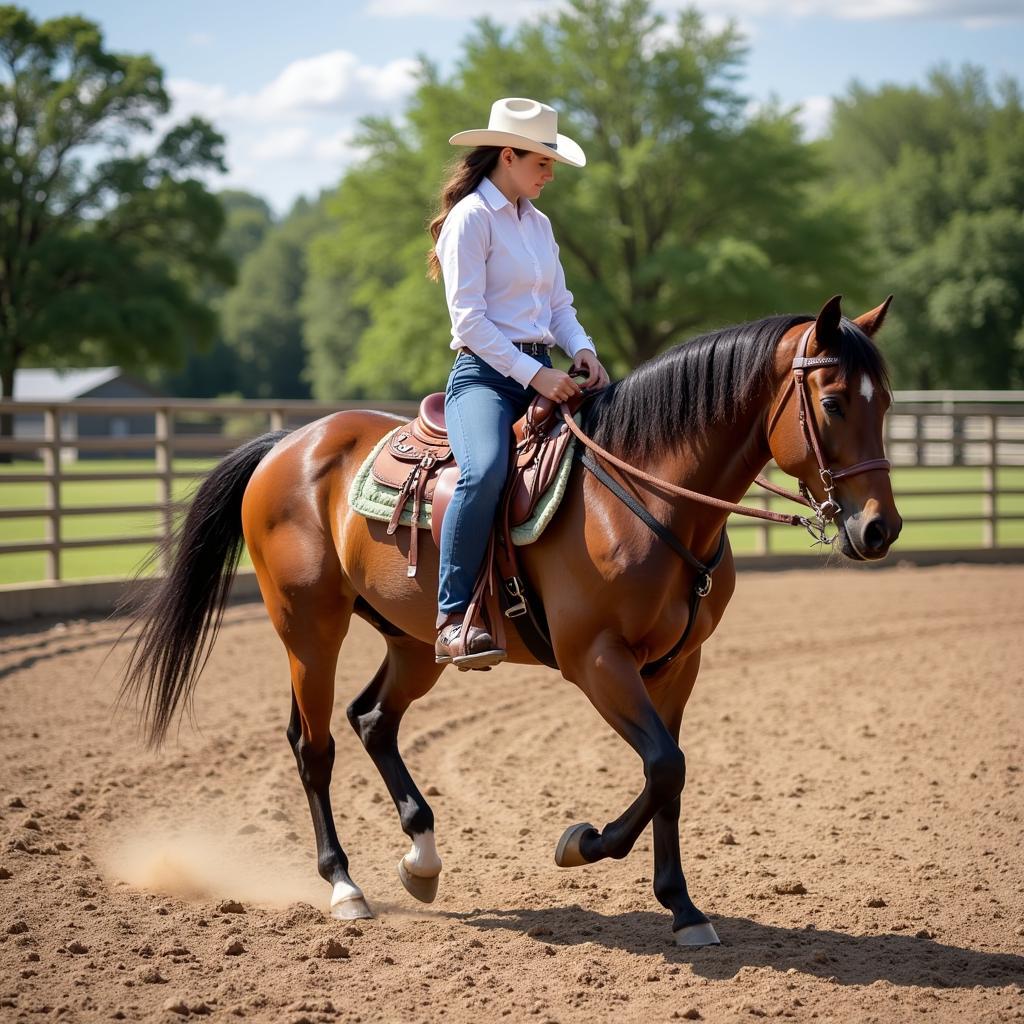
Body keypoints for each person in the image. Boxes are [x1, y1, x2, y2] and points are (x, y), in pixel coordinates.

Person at [428, 97, 610, 670]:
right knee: (483, 472)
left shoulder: (539, 224)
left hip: (546, 373)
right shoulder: (470, 219)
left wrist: (583, 349)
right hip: (484, 377)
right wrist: (538, 375)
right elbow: (469, 321)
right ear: (508, 155)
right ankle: (453, 617)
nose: (550, 174)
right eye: (542, 163)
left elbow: (558, 304)